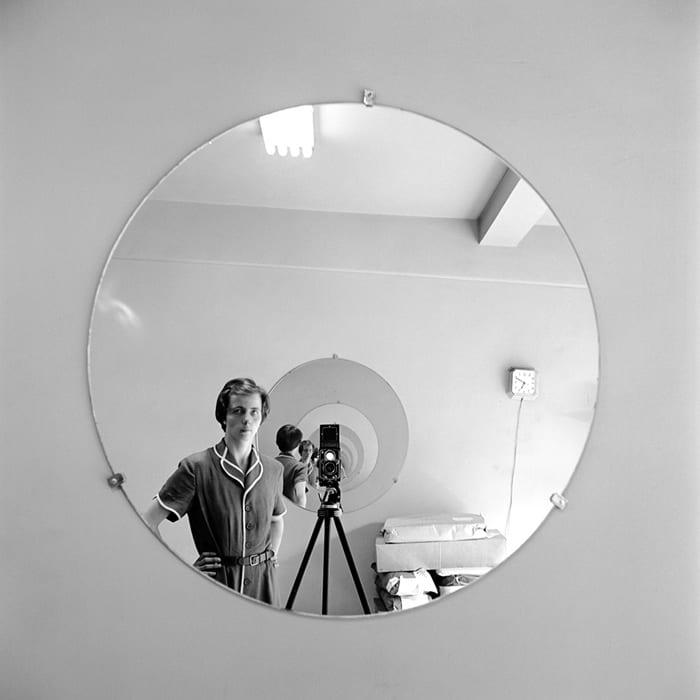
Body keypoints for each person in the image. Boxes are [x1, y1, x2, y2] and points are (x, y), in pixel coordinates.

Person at [142, 378, 286, 606]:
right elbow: (148, 521)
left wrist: (271, 557)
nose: (247, 419)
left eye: (254, 412)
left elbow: (276, 521)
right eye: (238, 411)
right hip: (218, 588)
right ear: (223, 416)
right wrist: (182, 570)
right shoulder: (196, 468)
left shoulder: (273, 470)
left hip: (264, 588)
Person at [274, 424, 307, 508]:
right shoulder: (299, 467)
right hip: (290, 511)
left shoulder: (270, 464)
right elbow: (300, 496)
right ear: (298, 445)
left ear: (277, 442)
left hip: (272, 510)